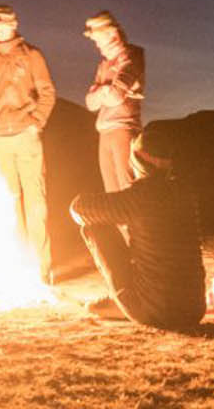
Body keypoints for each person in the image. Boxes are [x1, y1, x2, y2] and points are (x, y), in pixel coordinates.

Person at [69, 131, 205, 330]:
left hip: (156, 313)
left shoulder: (139, 197)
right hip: (194, 309)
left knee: (94, 225)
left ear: (138, 161)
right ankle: (127, 300)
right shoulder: (184, 193)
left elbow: (79, 209)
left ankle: (124, 302)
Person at [0, 3, 56, 281]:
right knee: (6, 204)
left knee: (36, 202)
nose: (0, 26)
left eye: (5, 22)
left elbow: (47, 91)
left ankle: (41, 268)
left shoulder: (32, 56)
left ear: (14, 24)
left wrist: (36, 122)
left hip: (26, 136)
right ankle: (15, 266)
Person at [81, 9, 146, 193]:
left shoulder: (132, 56)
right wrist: (105, 90)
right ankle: (119, 223)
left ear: (112, 34)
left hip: (123, 129)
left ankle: (134, 223)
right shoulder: (104, 65)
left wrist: (100, 90)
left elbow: (116, 96)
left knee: (128, 187)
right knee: (111, 192)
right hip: (105, 131)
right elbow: (90, 103)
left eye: (98, 39)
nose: (97, 45)